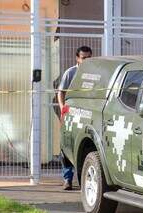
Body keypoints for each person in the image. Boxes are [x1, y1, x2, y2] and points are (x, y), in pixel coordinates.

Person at [58, 46, 92, 190]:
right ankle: (67, 179)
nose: (86, 60)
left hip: (88, 117)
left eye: (89, 57)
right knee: (67, 146)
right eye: (84, 58)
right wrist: (62, 109)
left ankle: (87, 180)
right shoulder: (70, 73)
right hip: (71, 116)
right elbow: (61, 92)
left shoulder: (95, 73)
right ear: (77, 58)